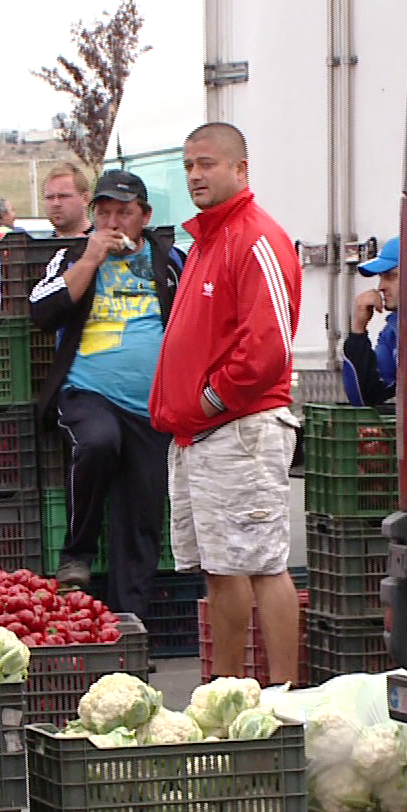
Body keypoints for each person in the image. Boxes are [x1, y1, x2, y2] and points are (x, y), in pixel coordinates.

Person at [148, 123, 303, 683]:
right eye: (189, 165)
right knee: (219, 568)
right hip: (197, 435)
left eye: (207, 163)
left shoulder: (257, 238)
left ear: (241, 169)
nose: (195, 175)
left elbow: (268, 346)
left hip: (240, 428)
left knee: (263, 564)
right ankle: (228, 692)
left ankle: (285, 697)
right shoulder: (206, 242)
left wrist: (209, 399)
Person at [29, 170, 182, 613]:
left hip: (151, 407)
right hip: (86, 393)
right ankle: (76, 552)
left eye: (124, 213)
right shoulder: (71, 256)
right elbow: (43, 313)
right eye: (105, 213)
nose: (113, 222)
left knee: (142, 515)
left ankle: (129, 627)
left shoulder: (170, 260)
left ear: (144, 216)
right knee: (98, 441)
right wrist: (91, 260)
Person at [344, 236, 399, 406]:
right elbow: (364, 398)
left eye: (390, 277)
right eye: (381, 277)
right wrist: (358, 331)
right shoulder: (393, 331)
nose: (381, 286)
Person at [39, 163, 91, 237]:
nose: (56, 203)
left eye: (63, 196)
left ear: (85, 199)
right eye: (49, 197)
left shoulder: (106, 245)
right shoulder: (38, 247)